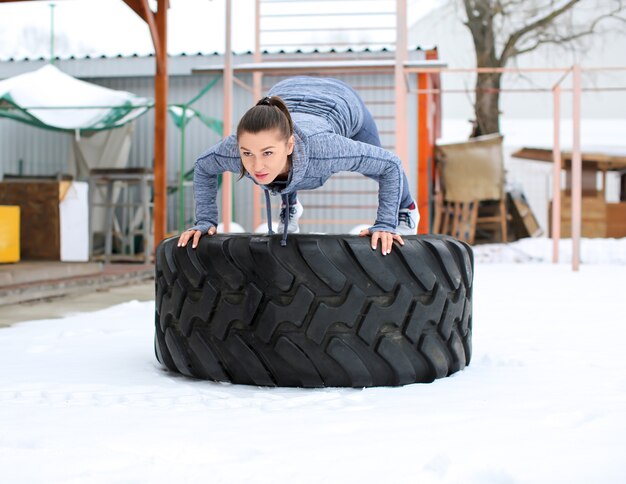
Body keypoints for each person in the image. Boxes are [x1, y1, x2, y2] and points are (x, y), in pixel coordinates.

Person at [178, 76, 419, 255]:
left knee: (375, 166)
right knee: (275, 169)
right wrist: (205, 221)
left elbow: (391, 164)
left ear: (290, 145)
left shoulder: (326, 149)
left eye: (267, 152)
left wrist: (386, 223)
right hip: (287, 91)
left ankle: (407, 210)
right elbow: (203, 167)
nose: (256, 164)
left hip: (340, 100)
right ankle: (290, 205)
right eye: (247, 153)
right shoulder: (232, 150)